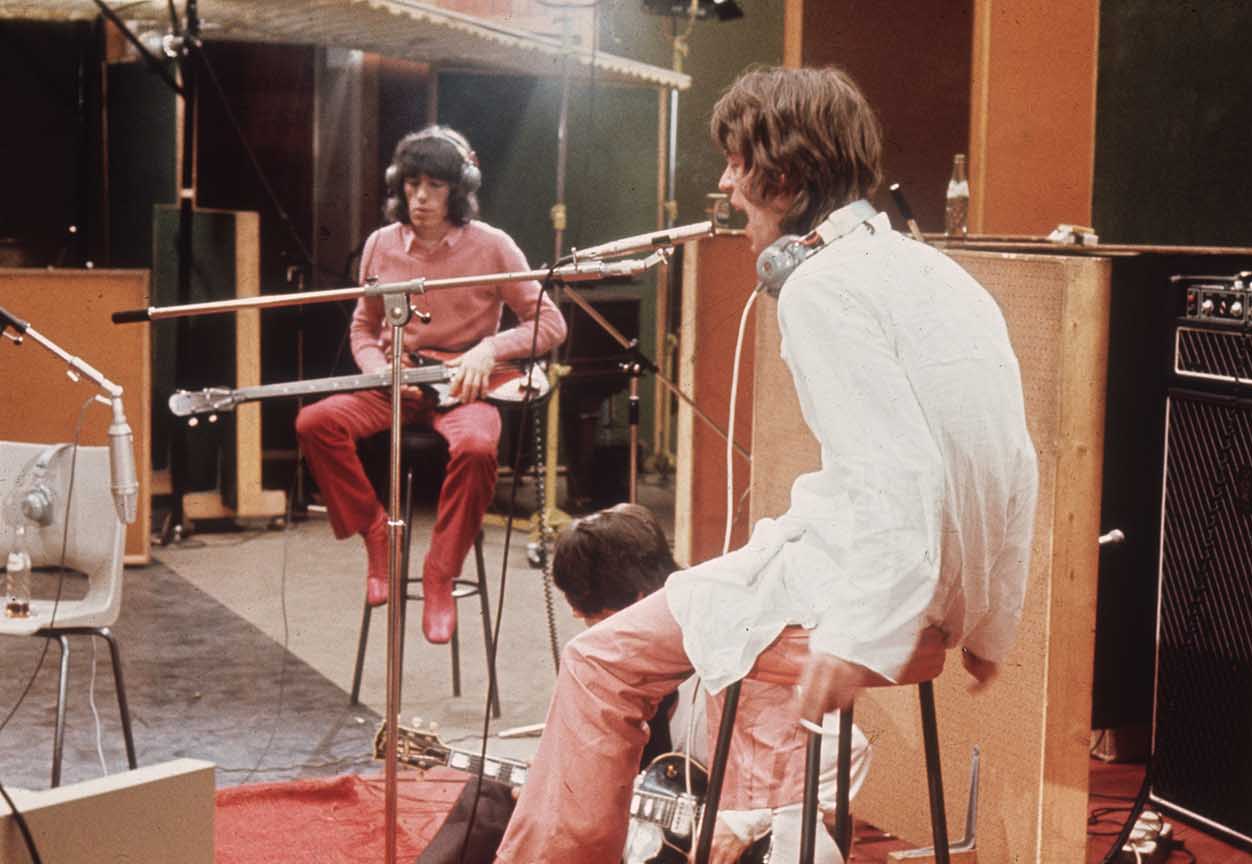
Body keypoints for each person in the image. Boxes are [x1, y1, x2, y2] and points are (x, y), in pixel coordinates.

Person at [496, 66, 1038, 864]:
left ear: (782, 177)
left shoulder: (822, 288)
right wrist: (988, 622)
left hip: (853, 603)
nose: (723, 182)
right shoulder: (937, 275)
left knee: (597, 662)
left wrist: (857, 638)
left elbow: (898, 475)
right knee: (702, 605)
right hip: (927, 605)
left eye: (736, 163)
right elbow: (1010, 466)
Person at [418, 503, 867, 864]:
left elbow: (851, 747)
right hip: (645, 825)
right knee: (492, 794)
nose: (598, 637)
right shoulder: (612, 661)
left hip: (719, 843)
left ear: (640, 602)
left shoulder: (727, 647)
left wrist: (743, 821)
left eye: (599, 620)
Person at [296, 125, 566, 644]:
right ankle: (376, 536)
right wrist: (380, 370)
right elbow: (363, 328)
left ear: (458, 190)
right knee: (315, 422)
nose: (420, 197)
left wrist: (488, 350)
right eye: (412, 183)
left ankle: (441, 574)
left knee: (479, 448)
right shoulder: (380, 246)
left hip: (464, 389)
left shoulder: (493, 246)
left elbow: (550, 325)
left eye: (435, 186)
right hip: (396, 384)